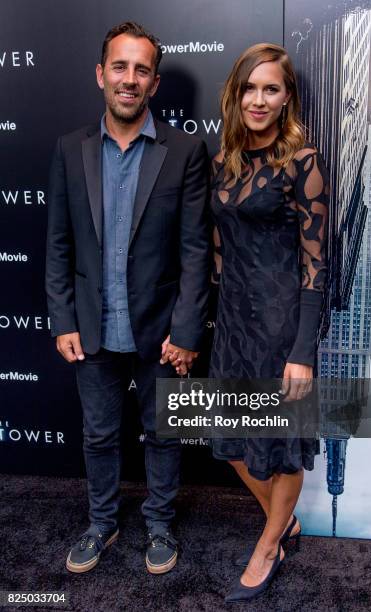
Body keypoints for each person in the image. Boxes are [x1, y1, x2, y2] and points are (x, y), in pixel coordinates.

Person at [45, 21, 209, 575]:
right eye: (120, 66)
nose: (129, 79)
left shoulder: (184, 151)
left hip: (160, 329)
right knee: (97, 434)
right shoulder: (71, 149)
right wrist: (62, 318)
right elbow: (58, 244)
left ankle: (159, 526)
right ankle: (102, 523)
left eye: (141, 70)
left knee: (164, 432)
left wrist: (186, 332)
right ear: (101, 74)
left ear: (154, 83)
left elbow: (194, 253)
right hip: (92, 325)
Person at [209, 43, 329, 602]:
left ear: (287, 98)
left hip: (283, 329)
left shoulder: (302, 161)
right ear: (236, 94)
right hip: (234, 324)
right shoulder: (224, 161)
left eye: (271, 89)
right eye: (250, 88)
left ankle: (267, 543)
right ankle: (283, 524)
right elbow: (219, 250)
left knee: (280, 446)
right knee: (232, 443)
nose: (259, 99)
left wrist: (303, 350)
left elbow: (315, 263)